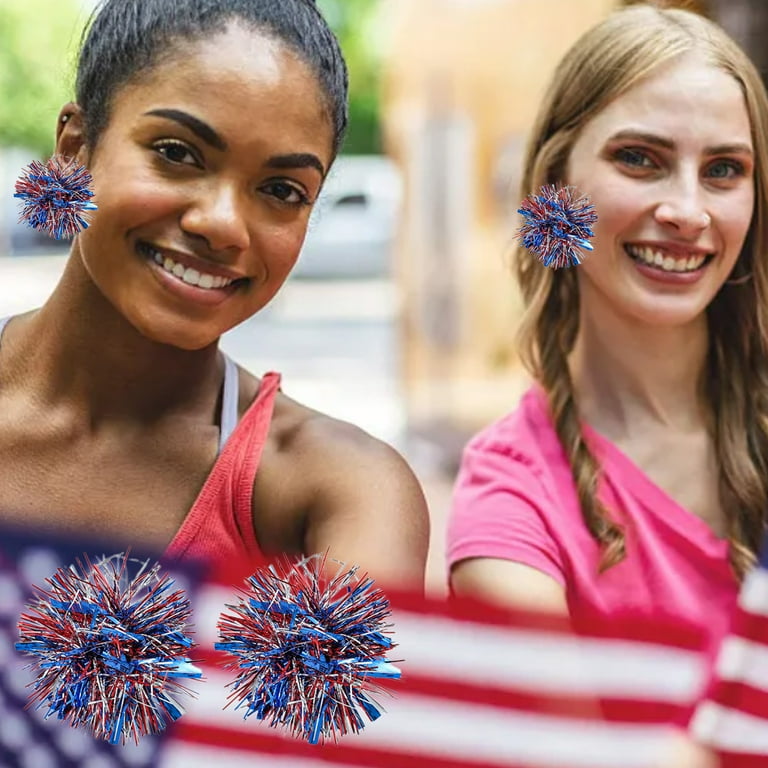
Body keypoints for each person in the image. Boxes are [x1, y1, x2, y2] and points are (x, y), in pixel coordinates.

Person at [0, 0, 428, 588]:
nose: (224, 224)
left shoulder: (338, 491)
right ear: (75, 151)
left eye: (281, 190)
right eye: (176, 153)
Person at [447, 2, 768, 654]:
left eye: (723, 170)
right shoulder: (512, 500)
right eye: (640, 159)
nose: (687, 212)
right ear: (554, 192)